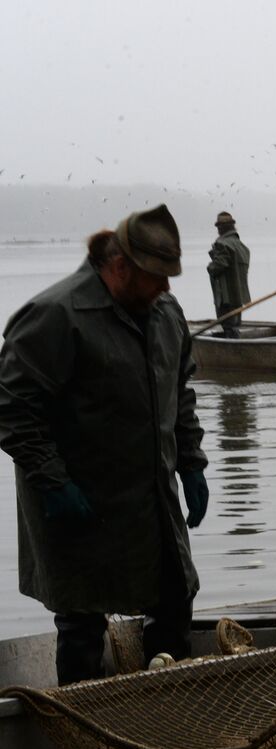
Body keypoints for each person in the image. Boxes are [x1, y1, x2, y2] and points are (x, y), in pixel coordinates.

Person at [0, 205, 208, 685]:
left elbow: (181, 392)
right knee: (81, 621)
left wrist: (192, 462)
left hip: (150, 496)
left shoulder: (165, 312)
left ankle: (164, 705)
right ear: (120, 268)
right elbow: (13, 406)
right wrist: (53, 483)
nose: (167, 288)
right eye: (157, 277)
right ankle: (85, 722)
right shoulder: (54, 316)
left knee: (175, 599)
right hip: (79, 500)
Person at [207, 210, 250, 338]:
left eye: (218, 227)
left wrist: (210, 267)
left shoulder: (222, 244)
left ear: (220, 228)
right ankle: (236, 348)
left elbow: (218, 266)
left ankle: (231, 351)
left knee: (228, 328)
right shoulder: (241, 246)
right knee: (235, 326)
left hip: (225, 299)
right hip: (239, 297)